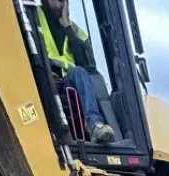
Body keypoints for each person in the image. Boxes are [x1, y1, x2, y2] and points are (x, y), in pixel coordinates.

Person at [38, 0, 115, 144]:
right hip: (43, 78)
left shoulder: (76, 31)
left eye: (64, 1)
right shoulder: (31, 17)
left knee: (80, 72)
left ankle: (95, 125)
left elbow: (87, 65)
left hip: (68, 81)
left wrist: (67, 26)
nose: (61, 5)